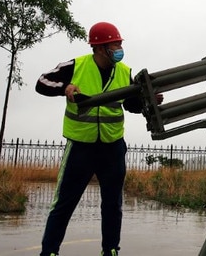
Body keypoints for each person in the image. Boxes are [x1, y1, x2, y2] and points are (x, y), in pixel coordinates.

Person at [35, 22, 163, 256]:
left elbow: (131, 104)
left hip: (112, 148)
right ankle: (49, 252)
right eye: (116, 44)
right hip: (80, 148)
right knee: (64, 203)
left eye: (120, 43)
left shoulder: (124, 71)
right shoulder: (75, 66)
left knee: (113, 204)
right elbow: (42, 83)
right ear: (100, 47)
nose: (120, 47)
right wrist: (65, 87)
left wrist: (149, 100)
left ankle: (111, 250)